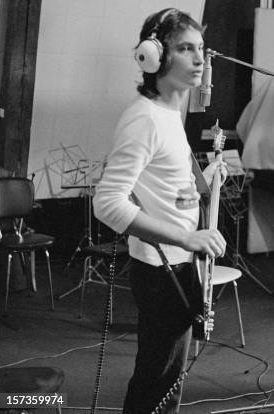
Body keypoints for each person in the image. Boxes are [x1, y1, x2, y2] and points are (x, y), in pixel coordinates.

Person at [93, 8, 227, 413]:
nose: (199, 59)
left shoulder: (170, 114)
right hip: (160, 267)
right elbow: (108, 202)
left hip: (178, 261)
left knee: (167, 379)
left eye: (200, 48)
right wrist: (187, 236)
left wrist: (203, 178)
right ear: (154, 57)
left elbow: (164, 185)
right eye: (186, 49)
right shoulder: (144, 118)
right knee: (157, 380)